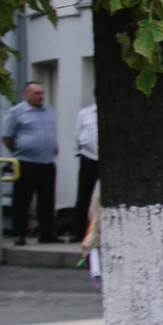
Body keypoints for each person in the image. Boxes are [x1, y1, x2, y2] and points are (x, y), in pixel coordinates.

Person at [0, 81, 59, 244]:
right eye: (36, 93)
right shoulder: (17, 112)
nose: (40, 96)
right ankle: (20, 234)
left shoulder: (48, 110)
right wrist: (20, 150)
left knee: (47, 200)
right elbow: (6, 136)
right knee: (22, 201)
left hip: (47, 162)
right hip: (26, 162)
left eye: (42, 93)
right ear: (26, 95)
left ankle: (47, 234)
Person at [73, 97, 100, 235]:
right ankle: (78, 230)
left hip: (107, 159)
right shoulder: (85, 113)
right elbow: (78, 134)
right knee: (84, 194)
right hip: (89, 157)